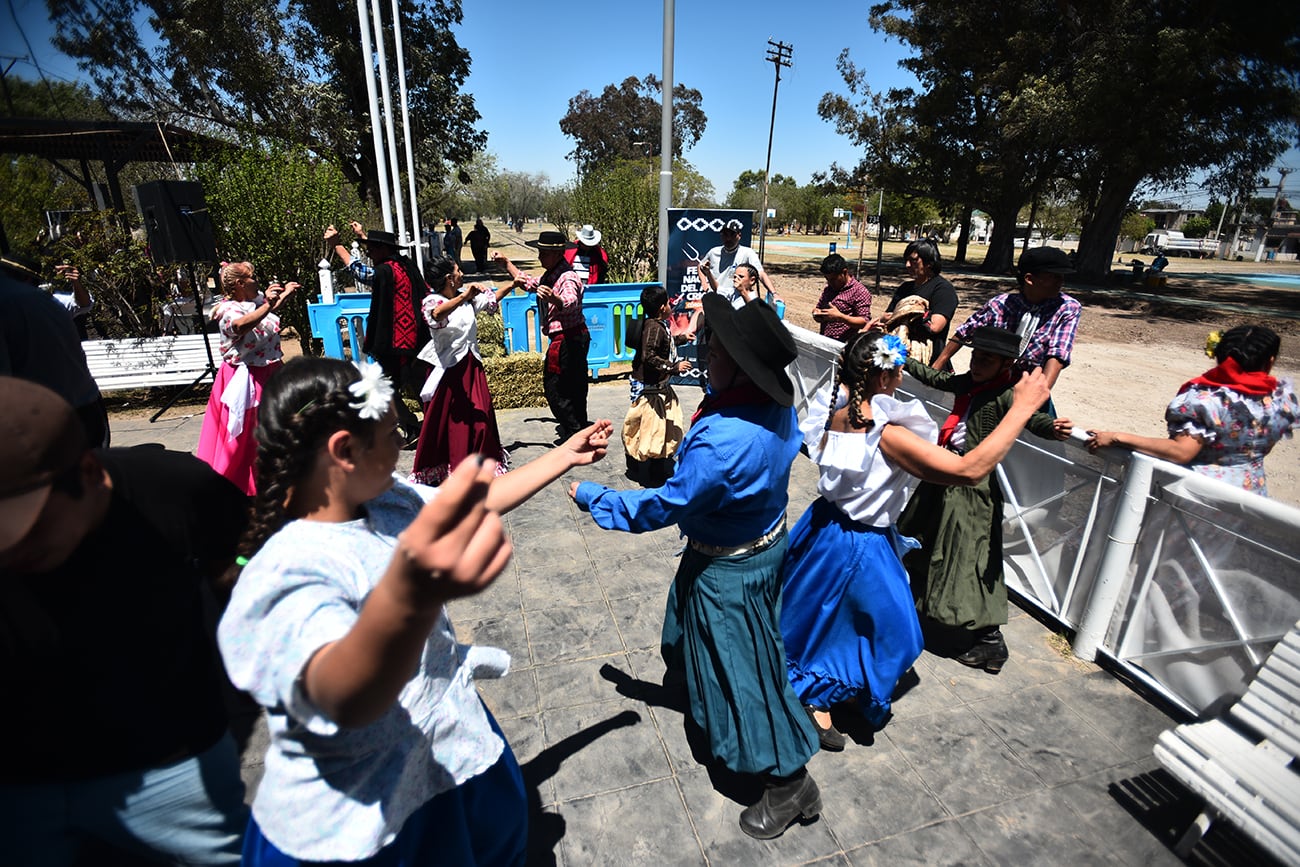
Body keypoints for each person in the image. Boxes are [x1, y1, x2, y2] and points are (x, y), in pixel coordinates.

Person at [217, 357, 612, 865]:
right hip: (363, 823)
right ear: (345, 452)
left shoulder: (386, 500)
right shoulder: (288, 571)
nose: (403, 440)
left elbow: (471, 501)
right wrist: (409, 591)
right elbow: (340, 697)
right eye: (391, 433)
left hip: (440, 747)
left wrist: (562, 455)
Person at [570, 294, 821, 840]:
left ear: (742, 364)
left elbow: (666, 504)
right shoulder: (770, 407)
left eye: (716, 344)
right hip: (754, 544)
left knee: (745, 669)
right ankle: (698, 696)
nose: (705, 348)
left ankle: (788, 780)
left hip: (729, 569)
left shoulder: (724, 443)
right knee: (686, 635)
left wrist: (594, 495)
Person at [0, 376, 249, 864]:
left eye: (27, 526)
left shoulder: (174, 486)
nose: (11, 550)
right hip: (20, 790)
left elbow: (241, 561)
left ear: (88, 472)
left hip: (174, 771)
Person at [897, 327, 1072, 672]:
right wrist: (900, 358)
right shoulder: (970, 383)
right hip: (944, 473)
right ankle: (914, 604)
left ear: (1007, 364)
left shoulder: (1007, 395)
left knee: (968, 558)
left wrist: (1054, 428)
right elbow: (937, 378)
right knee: (919, 537)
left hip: (971, 488)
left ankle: (989, 640)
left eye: (986, 360)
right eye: (975, 356)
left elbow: (1035, 419)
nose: (976, 364)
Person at [1086, 325, 1299, 496]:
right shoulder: (1282, 400)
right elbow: (1261, 449)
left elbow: (1182, 451)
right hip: (1250, 496)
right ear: (1270, 362)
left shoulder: (1208, 400)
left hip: (1198, 497)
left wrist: (1117, 437)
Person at [410, 256, 513, 485]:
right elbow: (436, 316)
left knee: (481, 414)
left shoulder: (466, 300)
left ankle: (482, 461)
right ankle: (449, 465)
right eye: (458, 270)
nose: (462, 274)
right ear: (450, 278)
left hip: (470, 366)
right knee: (449, 421)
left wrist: (512, 285)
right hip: (447, 370)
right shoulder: (432, 301)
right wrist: (464, 296)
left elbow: (490, 301)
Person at [196, 261, 295, 495]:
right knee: (249, 436)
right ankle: (247, 485)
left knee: (278, 428)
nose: (257, 281)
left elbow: (263, 312)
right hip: (248, 377)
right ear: (240, 283)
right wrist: (268, 304)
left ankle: (277, 479)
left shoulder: (253, 303)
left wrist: (282, 296)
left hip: (269, 372)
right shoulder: (228, 310)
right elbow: (240, 325)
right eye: (253, 278)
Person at [932, 246, 1080, 389]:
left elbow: (1057, 353)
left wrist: (1039, 394)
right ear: (1029, 278)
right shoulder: (1001, 304)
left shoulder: (1067, 308)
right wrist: (937, 367)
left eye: (1061, 277)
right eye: (1053, 277)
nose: (1060, 282)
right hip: (990, 380)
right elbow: (965, 332)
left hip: (1029, 384)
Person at [493, 232, 591, 441]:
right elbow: (528, 283)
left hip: (568, 340)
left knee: (555, 386)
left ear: (556, 254)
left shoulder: (567, 277)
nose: (539, 257)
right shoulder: (552, 275)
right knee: (573, 385)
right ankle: (577, 426)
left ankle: (574, 430)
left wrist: (555, 298)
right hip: (569, 339)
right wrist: (507, 264)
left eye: (543, 253)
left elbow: (570, 299)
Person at [0, 263, 110, 447]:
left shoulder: (49, 301)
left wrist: (77, 282)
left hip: (47, 410)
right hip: (83, 401)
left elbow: (84, 304)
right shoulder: (47, 302)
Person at [361, 229, 431, 440]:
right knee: (420, 385)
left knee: (382, 385)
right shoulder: (408, 266)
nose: (370, 253)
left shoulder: (384, 271)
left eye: (371, 249)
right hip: (417, 339)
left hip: (395, 344)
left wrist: (337, 247)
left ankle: (415, 426)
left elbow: (362, 274)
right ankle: (431, 425)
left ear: (383, 249)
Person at [623, 284, 692, 487]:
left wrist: (680, 339)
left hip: (657, 386)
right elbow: (649, 356)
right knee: (652, 428)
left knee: (655, 427)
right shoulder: (654, 327)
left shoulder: (658, 324)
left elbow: (663, 345)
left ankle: (648, 463)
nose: (671, 305)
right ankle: (651, 469)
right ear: (663, 306)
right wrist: (673, 366)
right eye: (669, 301)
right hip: (649, 389)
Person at [873, 240, 959, 366]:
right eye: (906, 260)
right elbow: (886, 318)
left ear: (929, 262)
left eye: (913, 260)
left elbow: (935, 326)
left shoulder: (943, 290)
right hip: (897, 359)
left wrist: (902, 316)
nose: (907, 265)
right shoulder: (905, 288)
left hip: (928, 364)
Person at [699, 218, 776, 308]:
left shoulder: (747, 253)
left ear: (739, 236)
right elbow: (700, 265)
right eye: (725, 235)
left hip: (738, 297)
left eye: (732, 235)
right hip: (716, 295)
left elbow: (761, 273)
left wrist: (774, 293)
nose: (728, 238)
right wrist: (704, 283)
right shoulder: (713, 252)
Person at [811, 253, 873, 342]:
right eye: (827, 279)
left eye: (833, 279)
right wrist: (816, 313)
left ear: (844, 272)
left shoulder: (859, 291)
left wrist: (841, 317)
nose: (830, 283)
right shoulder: (829, 289)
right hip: (824, 341)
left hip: (844, 345)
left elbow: (865, 322)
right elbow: (818, 307)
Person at [324, 221, 374, 287]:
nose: (368, 253)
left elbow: (361, 272)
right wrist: (361, 235)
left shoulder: (386, 271)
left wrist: (336, 245)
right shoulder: (390, 264)